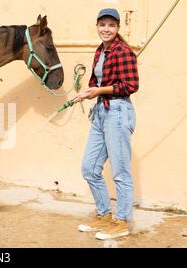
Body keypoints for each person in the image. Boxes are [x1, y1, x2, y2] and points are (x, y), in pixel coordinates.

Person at [74, 8, 139, 240]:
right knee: (89, 168)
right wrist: (85, 93)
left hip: (118, 112)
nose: (106, 29)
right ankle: (104, 215)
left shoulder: (123, 52)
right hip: (101, 111)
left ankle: (121, 222)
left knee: (120, 172)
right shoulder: (100, 51)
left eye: (111, 25)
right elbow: (95, 81)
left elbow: (130, 85)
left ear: (118, 28)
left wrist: (99, 90)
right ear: (97, 26)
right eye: (102, 24)